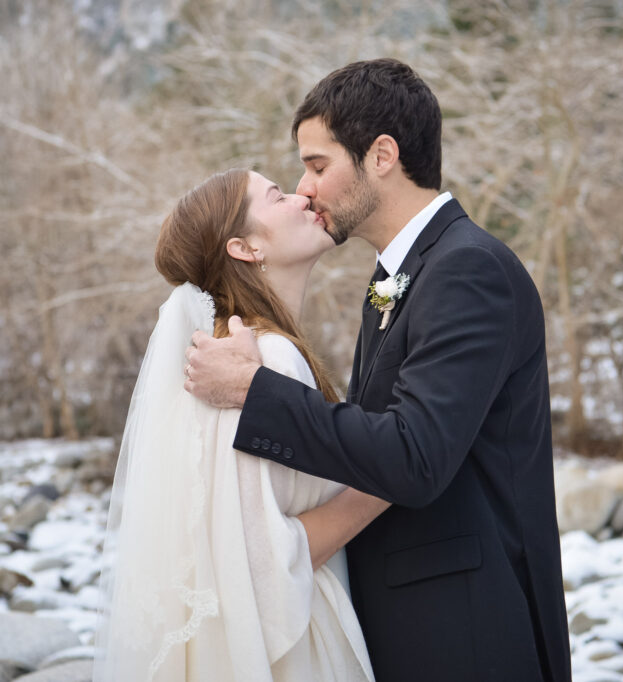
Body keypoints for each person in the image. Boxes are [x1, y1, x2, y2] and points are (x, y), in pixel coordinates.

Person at [185, 59, 572, 682]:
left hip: (466, 635)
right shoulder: (398, 277)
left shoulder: (468, 271)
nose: (305, 188)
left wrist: (256, 391)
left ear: (382, 155)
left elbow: (416, 456)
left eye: (317, 166)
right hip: (415, 630)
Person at [92, 168, 389, 681]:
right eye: (276, 196)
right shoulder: (263, 359)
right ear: (245, 247)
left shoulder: (243, 356)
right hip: (293, 651)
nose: (301, 196)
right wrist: (391, 476)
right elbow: (261, 562)